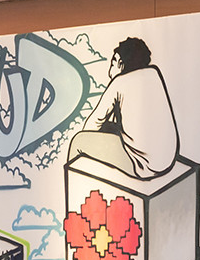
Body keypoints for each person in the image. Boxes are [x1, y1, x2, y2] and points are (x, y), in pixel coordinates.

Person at [67, 37, 178, 179]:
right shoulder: (154, 73)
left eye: (112, 63)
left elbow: (91, 125)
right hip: (166, 160)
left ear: (120, 63)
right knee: (110, 127)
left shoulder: (120, 82)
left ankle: (76, 188)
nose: (110, 70)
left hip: (141, 164)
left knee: (79, 141)